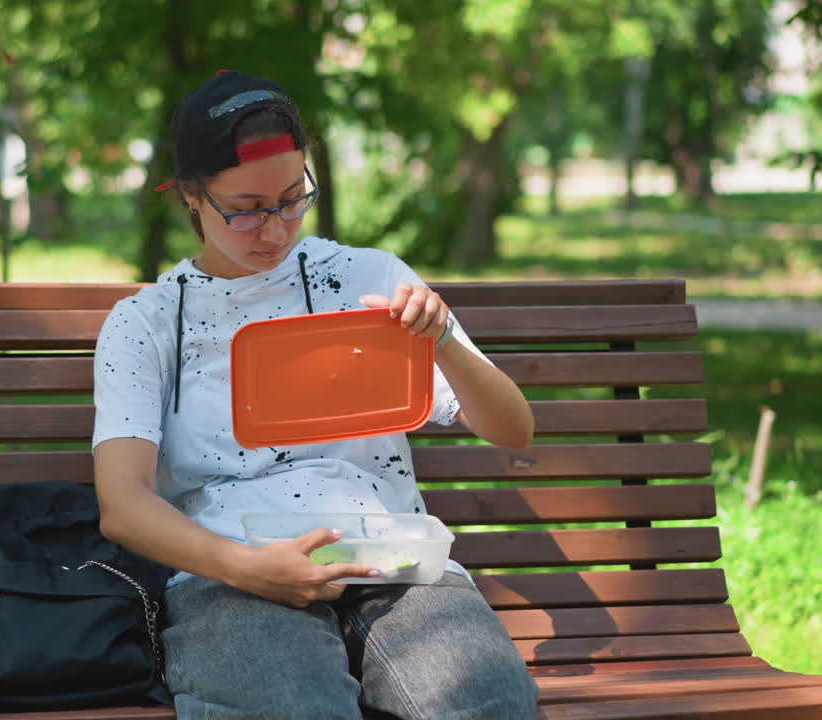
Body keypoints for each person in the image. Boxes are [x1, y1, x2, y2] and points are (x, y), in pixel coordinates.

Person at [93, 70, 539, 720]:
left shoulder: (370, 279)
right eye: (245, 208)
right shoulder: (148, 322)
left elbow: (513, 429)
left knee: (488, 705)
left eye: (292, 198)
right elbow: (123, 506)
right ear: (190, 195)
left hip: (395, 560)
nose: (274, 229)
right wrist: (245, 569)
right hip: (234, 573)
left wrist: (440, 335)